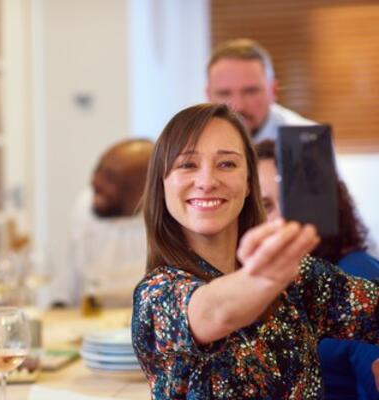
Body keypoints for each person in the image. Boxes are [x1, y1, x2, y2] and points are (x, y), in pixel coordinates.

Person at [132, 103, 379, 399]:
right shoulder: (156, 295)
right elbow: (216, 312)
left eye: (227, 164)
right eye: (187, 165)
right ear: (163, 182)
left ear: (249, 183)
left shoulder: (300, 277)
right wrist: (263, 279)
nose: (207, 181)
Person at [256, 139, 379, 399]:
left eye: (294, 202)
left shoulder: (355, 276)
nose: (282, 218)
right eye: (265, 206)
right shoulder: (258, 285)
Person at [52, 139, 154, 307]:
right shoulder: (85, 203)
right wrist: (58, 304)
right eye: (98, 169)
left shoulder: (170, 219)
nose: (95, 182)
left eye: (111, 178)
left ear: (144, 188)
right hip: (88, 319)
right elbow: (70, 275)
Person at [206, 38, 315, 142]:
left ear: (273, 91)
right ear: (209, 96)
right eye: (224, 93)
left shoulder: (310, 141)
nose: (238, 106)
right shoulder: (194, 142)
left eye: (250, 92)